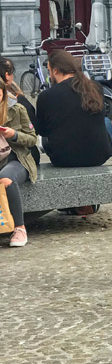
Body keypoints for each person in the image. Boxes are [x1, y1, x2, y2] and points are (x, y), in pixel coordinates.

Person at [36, 50, 112, 168]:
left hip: (62, 158)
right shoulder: (95, 88)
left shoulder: (46, 96)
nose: (50, 75)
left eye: (49, 71)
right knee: (106, 121)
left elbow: (42, 130)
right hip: (99, 156)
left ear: (55, 71)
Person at [0, 75, 38, 248]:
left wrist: (13, 135)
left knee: (6, 177)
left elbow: (32, 139)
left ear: (3, 93)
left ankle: (19, 227)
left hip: (16, 159)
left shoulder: (17, 109)